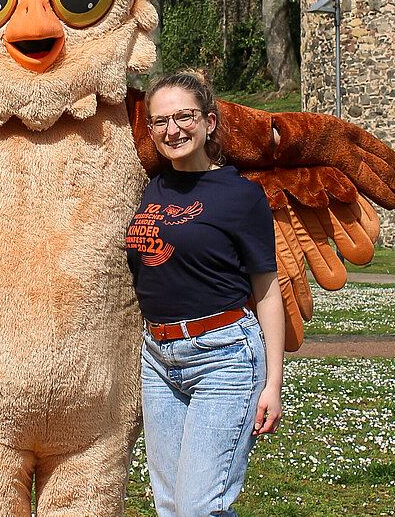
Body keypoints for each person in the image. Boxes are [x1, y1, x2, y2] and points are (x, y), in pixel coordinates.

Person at [126, 71, 285, 517]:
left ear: (209, 122)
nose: (172, 130)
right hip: (158, 358)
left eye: (184, 117)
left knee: (200, 507)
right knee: (173, 505)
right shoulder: (150, 189)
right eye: (160, 122)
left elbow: (267, 292)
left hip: (224, 357)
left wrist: (272, 382)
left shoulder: (241, 196)